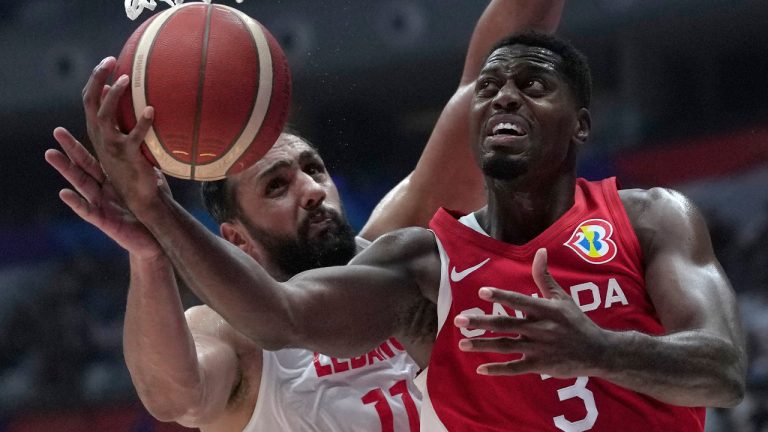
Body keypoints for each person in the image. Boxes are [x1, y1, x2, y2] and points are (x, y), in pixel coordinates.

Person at [45, 2, 566, 431]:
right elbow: (175, 398)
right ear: (237, 238)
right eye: (277, 186)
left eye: (312, 169)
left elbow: (489, 81)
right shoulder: (229, 332)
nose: (312, 190)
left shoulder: (402, 249)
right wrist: (149, 251)